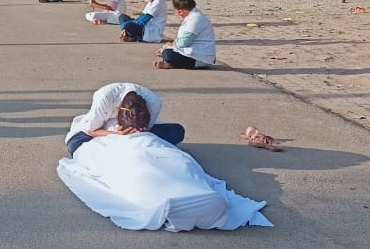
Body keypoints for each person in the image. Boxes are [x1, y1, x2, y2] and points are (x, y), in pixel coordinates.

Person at [57, 90, 272, 232]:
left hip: (145, 142)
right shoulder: (103, 103)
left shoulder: (150, 107)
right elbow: (89, 131)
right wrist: (115, 135)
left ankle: (186, 195)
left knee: (178, 161)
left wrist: (141, 134)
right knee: (133, 164)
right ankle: (183, 197)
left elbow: (158, 141)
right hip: (106, 138)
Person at [63, 82, 185, 155]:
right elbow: (92, 130)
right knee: (75, 145)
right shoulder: (104, 98)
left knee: (177, 131)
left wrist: (142, 132)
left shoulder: (154, 103)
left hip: (136, 132)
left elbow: (148, 128)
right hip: (102, 130)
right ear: (118, 111)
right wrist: (116, 134)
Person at [156, 0, 216, 69]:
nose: (177, 13)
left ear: (185, 9)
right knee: (166, 51)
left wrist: (169, 46)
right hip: (193, 52)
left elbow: (183, 43)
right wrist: (168, 46)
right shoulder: (191, 15)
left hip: (201, 57)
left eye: (179, 11)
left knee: (168, 54)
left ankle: (172, 63)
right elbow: (182, 38)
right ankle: (171, 64)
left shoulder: (195, 19)